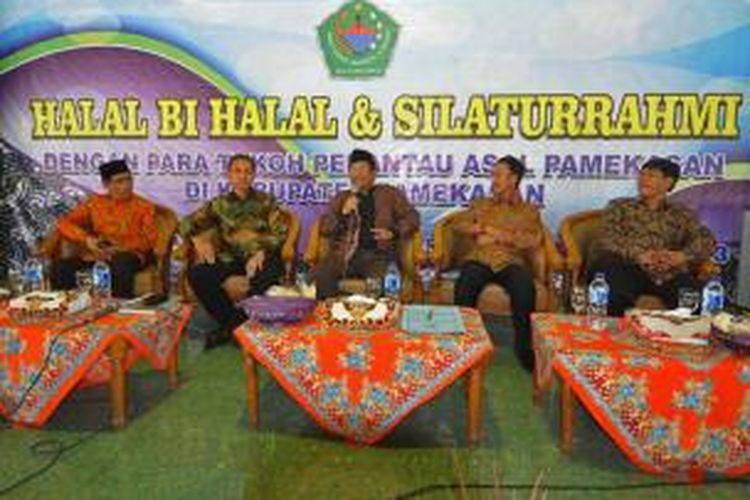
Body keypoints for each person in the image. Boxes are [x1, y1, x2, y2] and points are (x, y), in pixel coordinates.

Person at [181, 154, 288, 348]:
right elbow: (187, 222)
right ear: (229, 175)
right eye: (237, 171)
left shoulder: (267, 201)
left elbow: (280, 232)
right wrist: (197, 240)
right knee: (198, 274)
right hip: (231, 258)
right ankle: (235, 326)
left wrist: (261, 251)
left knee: (270, 274)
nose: (243, 176)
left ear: (254, 175)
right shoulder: (219, 204)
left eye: (248, 171)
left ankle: (232, 329)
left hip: (261, 258)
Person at [589, 157, 715, 316]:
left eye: (651, 175)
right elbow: (606, 239)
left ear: (668, 182)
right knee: (612, 286)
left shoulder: (682, 213)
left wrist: (681, 256)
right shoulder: (620, 207)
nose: (643, 179)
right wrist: (640, 255)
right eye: (642, 174)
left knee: (701, 299)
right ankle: (611, 337)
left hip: (668, 273)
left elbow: (706, 240)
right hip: (627, 268)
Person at [453, 155, 542, 371]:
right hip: (480, 259)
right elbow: (457, 223)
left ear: (514, 179)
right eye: (493, 175)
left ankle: (524, 350)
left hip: (510, 262)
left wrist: (495, 233)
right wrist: (476, 229)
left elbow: (531, 239)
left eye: (499, 176)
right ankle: (464, 347)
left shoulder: (529, 210)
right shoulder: (481, 204)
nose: (494, 180)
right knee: (466, 281)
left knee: (524, 287)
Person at [314, 149, 420, 299]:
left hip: (377, 256)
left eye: (362, 169)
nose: (357, 174)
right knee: (319, 277)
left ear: (373, 172)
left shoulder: (389, 194)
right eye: (353, 169)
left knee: (378, 285)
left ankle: (374, 320)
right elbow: (325, 228)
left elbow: (413, 217)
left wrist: (393, 231)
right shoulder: (341, 197)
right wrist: (343, 213)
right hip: (343, 256)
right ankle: (328, 319)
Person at [50, 159, 158, 298]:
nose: (126, 186)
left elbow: (149, 241)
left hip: (131, 255)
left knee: (121, 263)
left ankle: (119, 311)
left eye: (129, 179)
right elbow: (63, 223)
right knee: (61, 267)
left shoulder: (145, 207)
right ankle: (67, 307)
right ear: (106, 184)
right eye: (119, 181)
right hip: (99, 254)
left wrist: (119, 248)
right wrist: (87, 239)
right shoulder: (95, 203)